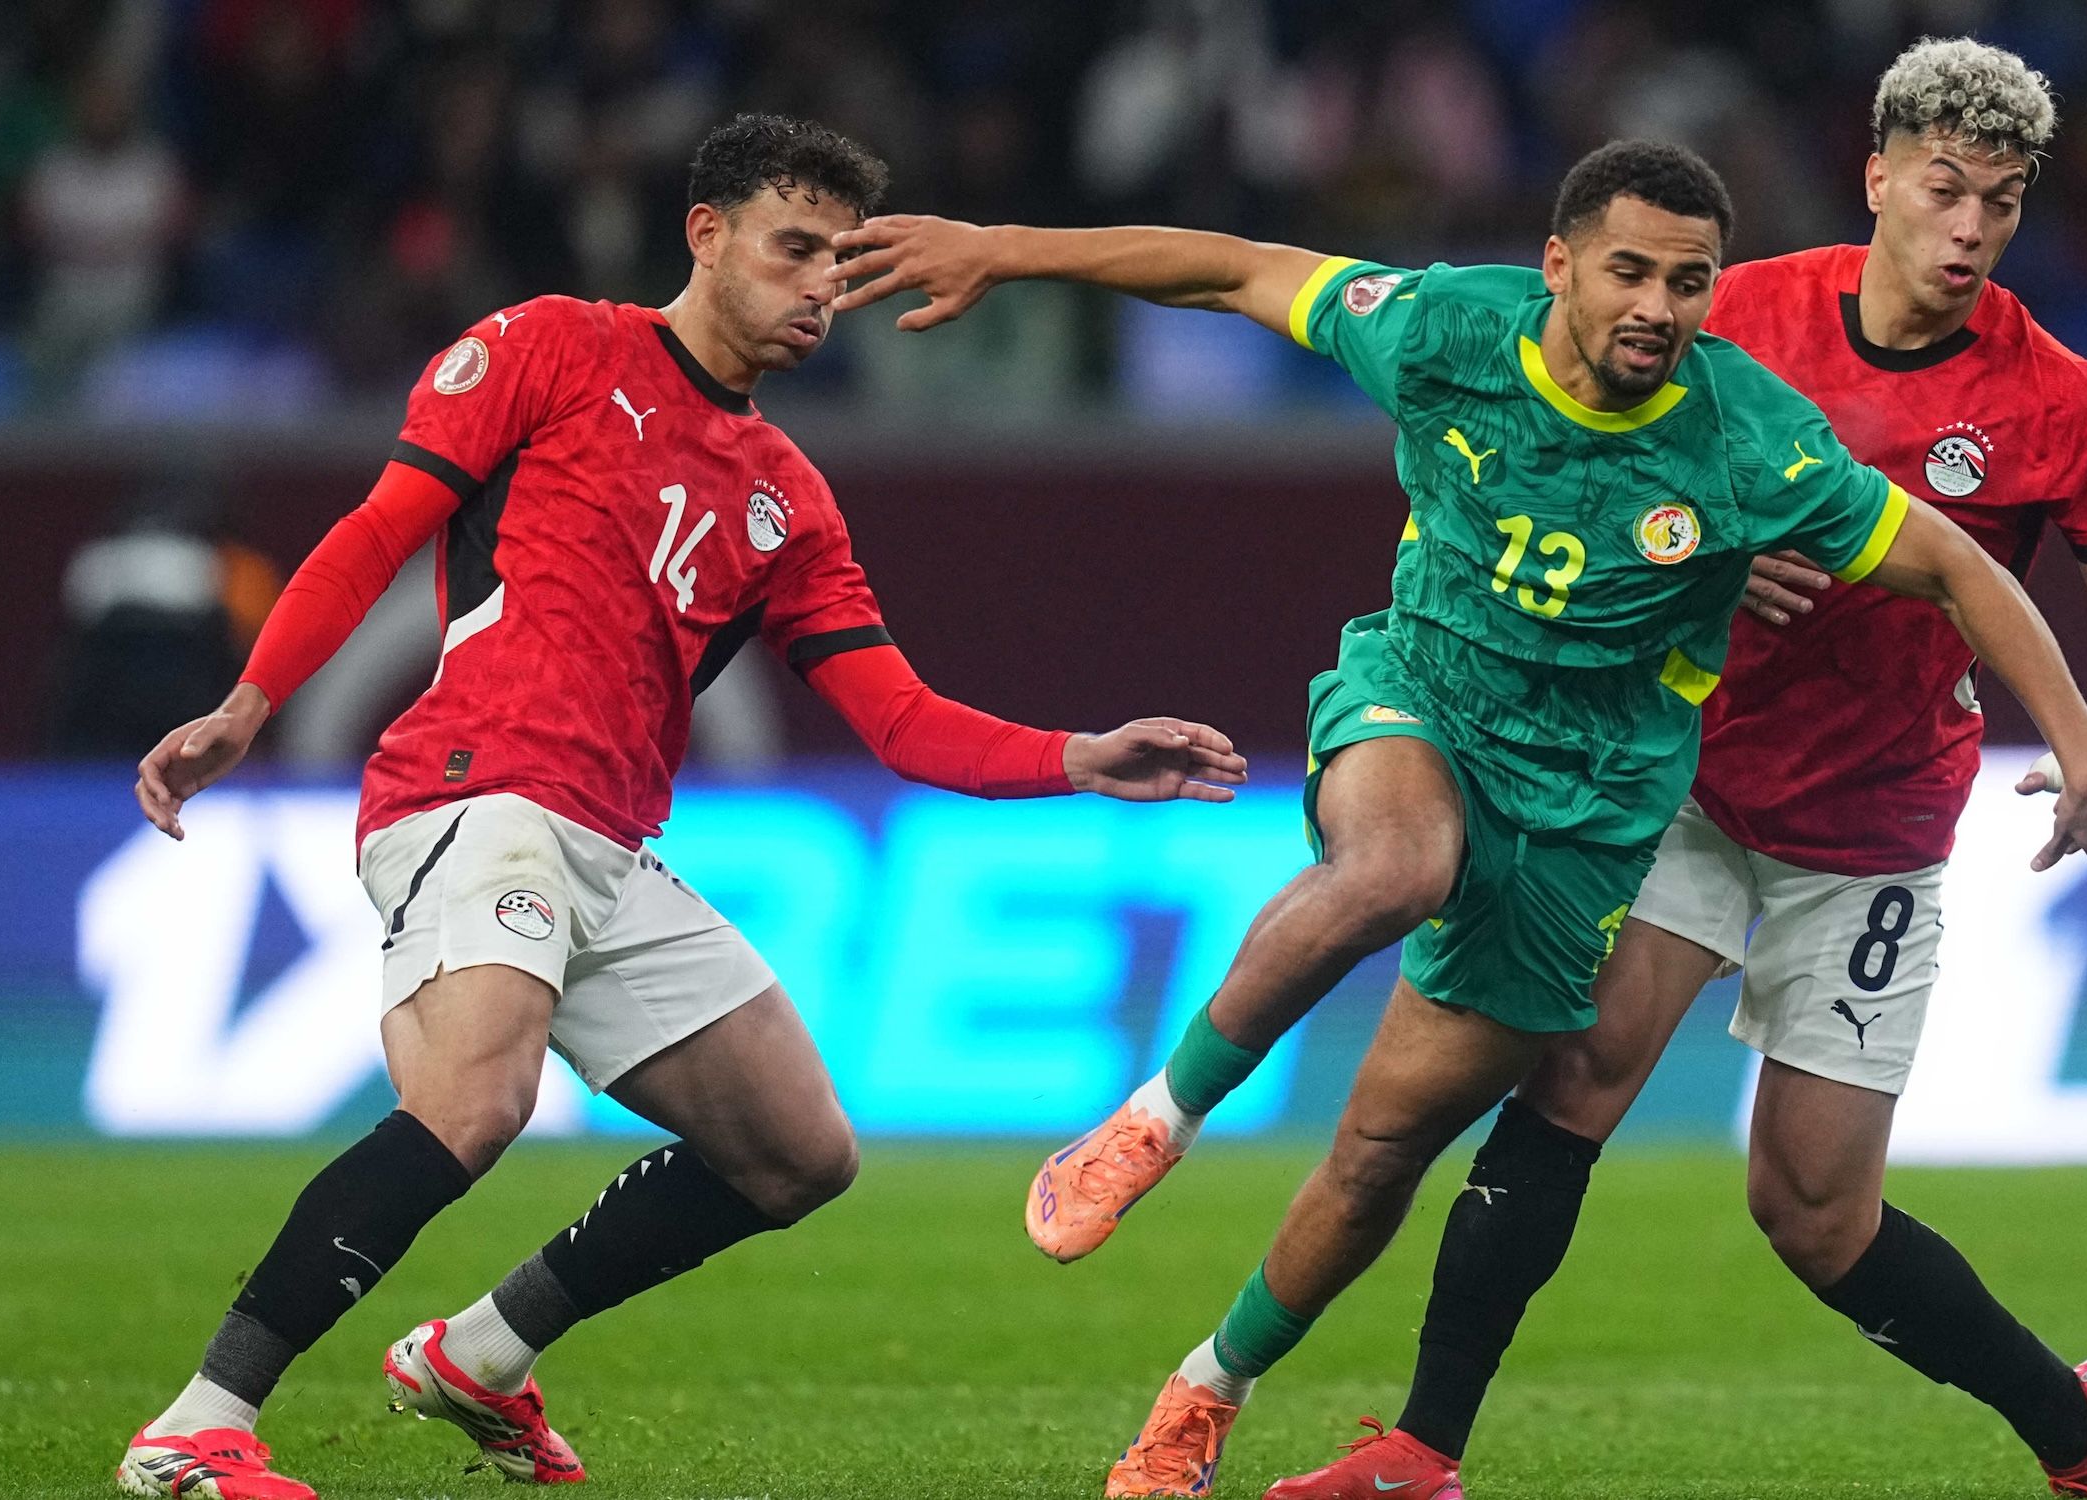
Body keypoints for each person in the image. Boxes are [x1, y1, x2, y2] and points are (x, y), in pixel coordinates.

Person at [831, 136, 2087, 1498]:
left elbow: (1955, 567)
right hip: (1425, 700)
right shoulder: (1449, 329)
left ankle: (1209, 1394)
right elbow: (1236, 268)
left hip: (1596, 810)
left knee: (1382, 1148)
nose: (1657, 306)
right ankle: (1154, 1122)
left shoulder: (1754, 437)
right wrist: (1007, 246)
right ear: (1559, 267)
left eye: (1688, 282)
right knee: (1400, 868)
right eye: (1629, 273)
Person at [113, 113, 1245, 1500]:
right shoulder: (548, 346)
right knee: (475, 1101)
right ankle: (197, 1421)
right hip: (478, 787)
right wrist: (249, 703)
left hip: (609, 841)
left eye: (841, 259)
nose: (823, 285)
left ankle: (483, 1351)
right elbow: (377, 530)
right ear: (706, 236)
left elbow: (899, 721)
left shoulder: (791, 502)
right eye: (795, 250)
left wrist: (1077, 757)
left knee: (797, 1152)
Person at [1264, 38, 2087, 1500]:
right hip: (1685, 778)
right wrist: (1701, 557)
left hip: (1875, 823)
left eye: (2001, 204)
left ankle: (2076, 1446)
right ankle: (1422, 1451)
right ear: (1878, 177)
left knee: (1814, 1211)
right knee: (1572, 1080)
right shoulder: (1725, 313)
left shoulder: (2059, 398)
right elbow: (1585, 462)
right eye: (1945, 190)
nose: (1970, 230)